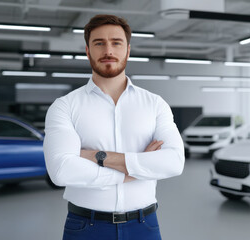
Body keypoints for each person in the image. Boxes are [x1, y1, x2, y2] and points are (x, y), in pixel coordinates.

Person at [43, 14, 185, 240]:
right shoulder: (65, 106)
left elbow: (174, 162)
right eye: (99, 43)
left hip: (144, 226)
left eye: (116, 43)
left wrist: (97, 157)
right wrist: (135, 171)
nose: (108, 50)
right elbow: (61, 171)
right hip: (85, 227)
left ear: (128, 50)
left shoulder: (155, 104)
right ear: (88, 51)